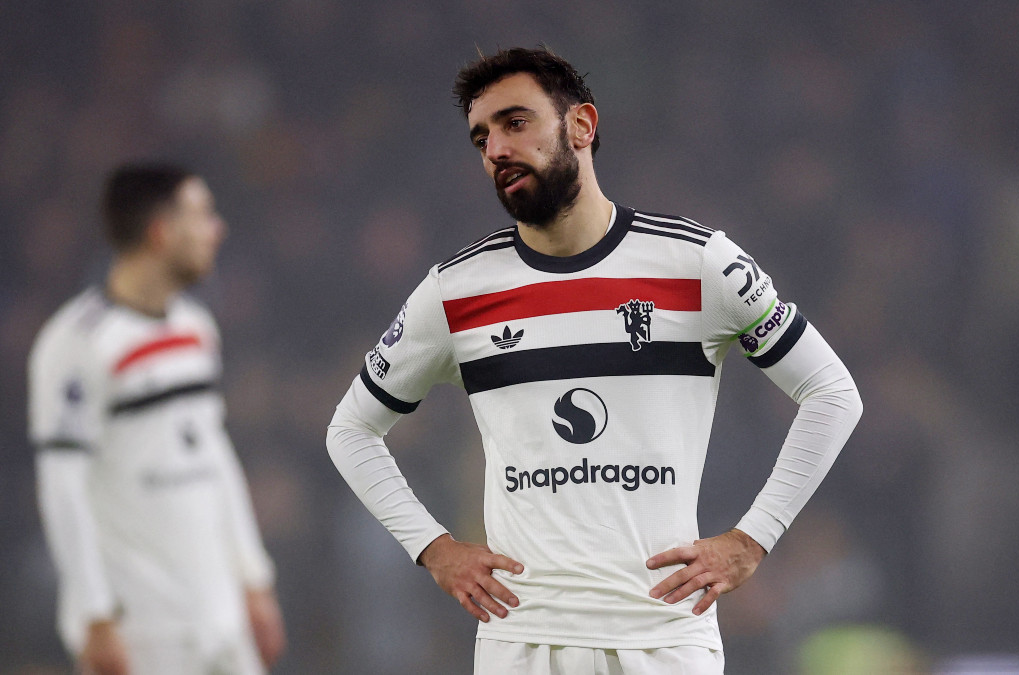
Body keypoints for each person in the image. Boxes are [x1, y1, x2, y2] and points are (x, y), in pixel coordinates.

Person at [326, 47, 862, 674]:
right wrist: (434, 549)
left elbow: (832, 393)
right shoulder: (457, 291)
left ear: (581, 125)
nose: (496, 149)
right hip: (522, 642)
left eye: (515, 122)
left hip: (666, 640)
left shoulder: (698, 263)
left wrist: (752, 539)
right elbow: (351, 429)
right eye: (482, 137)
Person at [29, 164, 286, 675]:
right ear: (161, 232)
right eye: (202, 215)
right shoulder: (75, 343)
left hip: (218, 613)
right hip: (142, 630)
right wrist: (94, 615)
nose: (217, 229)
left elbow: (213, 454)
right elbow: (62, 486)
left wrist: (253, 578)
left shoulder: (196, 326)